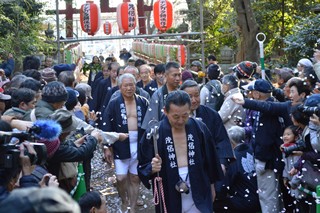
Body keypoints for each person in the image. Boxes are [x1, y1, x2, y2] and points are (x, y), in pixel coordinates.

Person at [138, 90, 223, 213]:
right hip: (169, 184)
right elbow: (142, 164)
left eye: (185, 115)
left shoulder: (199, 128)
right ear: (165, 111)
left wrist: (212, 186)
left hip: (198, 182)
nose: (181, 121)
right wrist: (152, 167)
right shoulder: (155, 133)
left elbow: (210, 160)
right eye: (176, 117)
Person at [232, 79, 286, 213]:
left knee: (267, 197)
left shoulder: (268, 109)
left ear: (257, 94)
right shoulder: (272, 106)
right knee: (272, 195)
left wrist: (261, 159)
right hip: (271, 158)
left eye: (251, 92)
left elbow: (265, 138)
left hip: (268, 160)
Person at [102, 73, 149, 213]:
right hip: (121, 143)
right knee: (121, 178)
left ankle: (133, 207)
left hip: (138, 143)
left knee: (135, 177)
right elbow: (106, 126)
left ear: (136, 85)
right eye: (126, 85)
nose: (129, 88)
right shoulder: (114, 103)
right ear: (120, 87)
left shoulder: (143, 102)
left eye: (132, 85)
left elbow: (150, 125)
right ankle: (124, 200)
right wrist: (107, 147)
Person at [213, 126, 260, 213]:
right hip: (258, 198)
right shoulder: (251, 150)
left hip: (243, 202)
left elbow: (225, 185)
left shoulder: (233, 158)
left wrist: (216, 195)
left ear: (231, 142)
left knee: (215, 204)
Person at [141, 61, 181, 130]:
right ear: (166, 75)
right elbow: (152, 121)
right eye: (174, 75)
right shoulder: (158, 94)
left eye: (179, 75)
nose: (177, 78)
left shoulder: (182, 92)